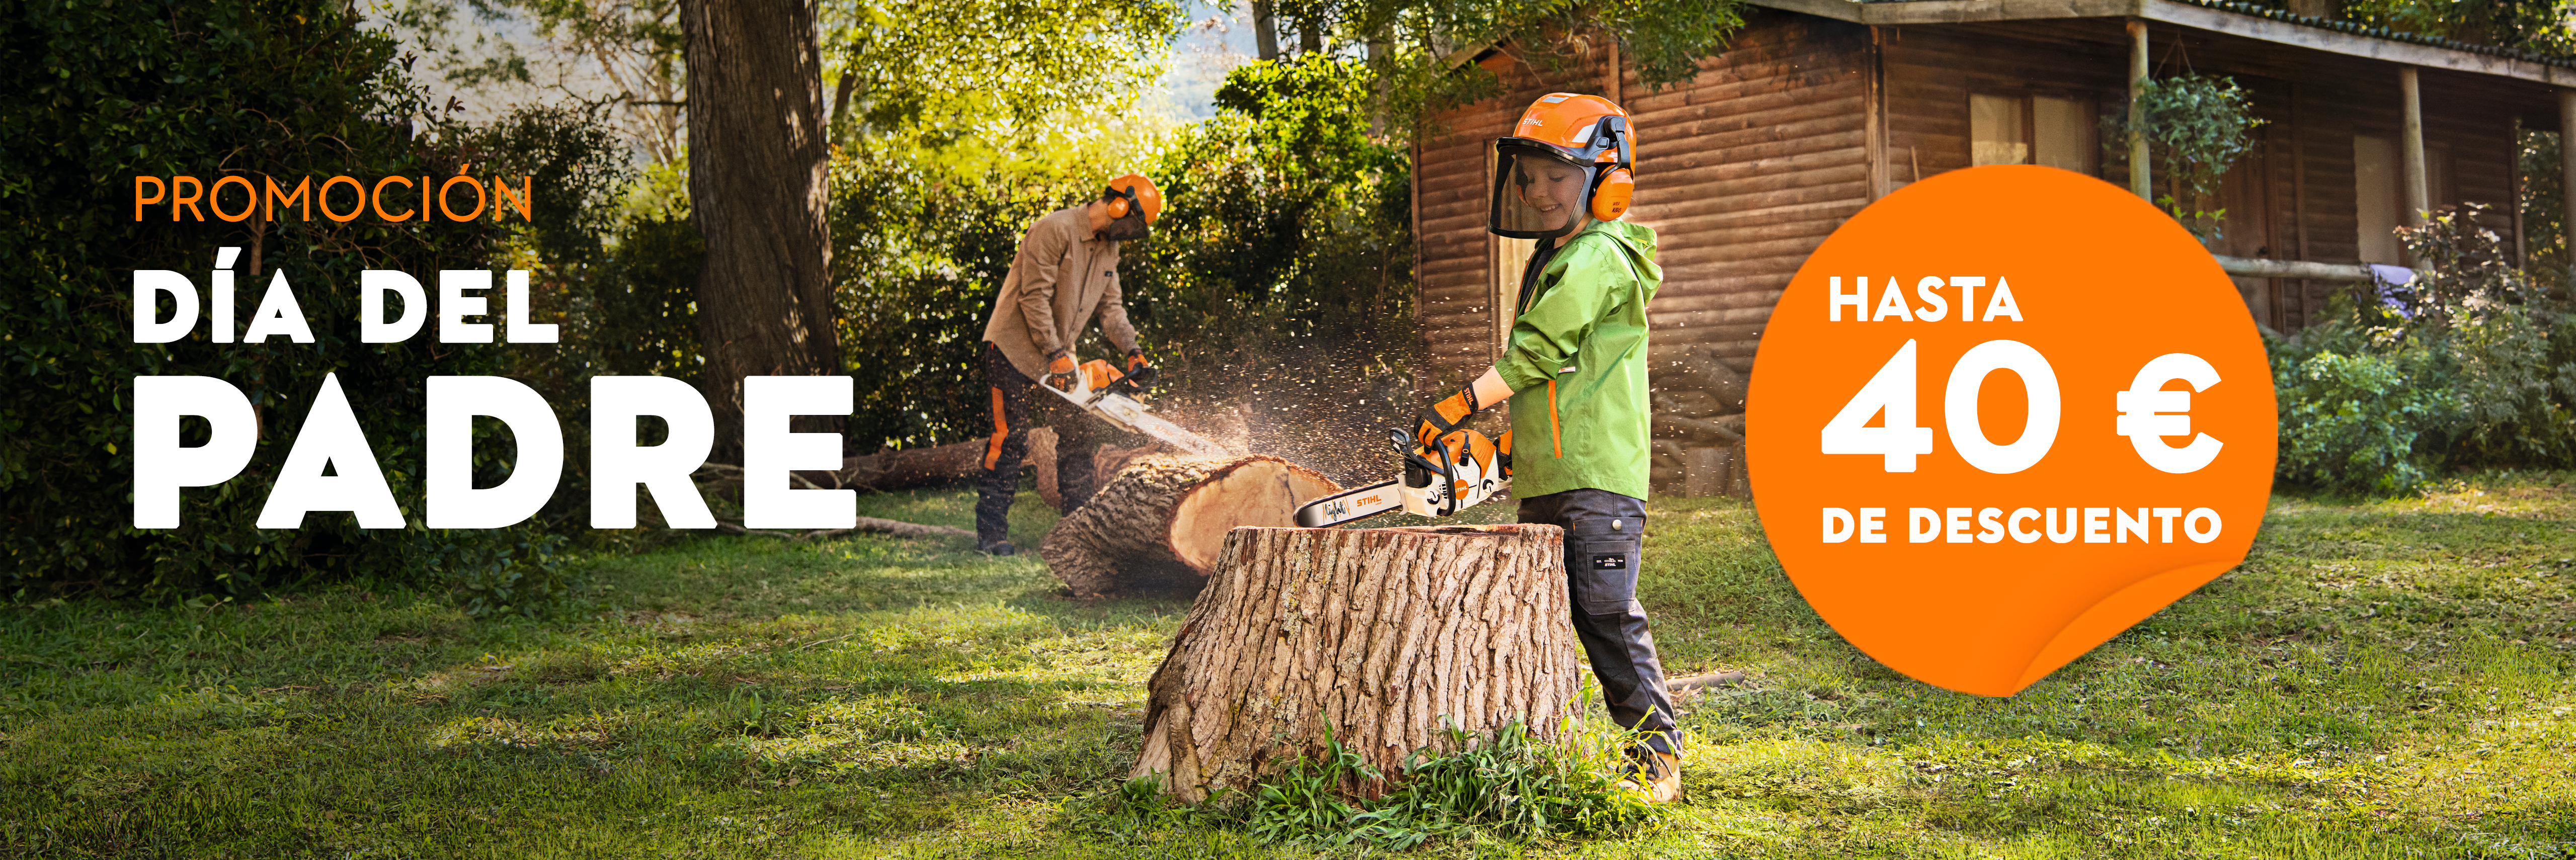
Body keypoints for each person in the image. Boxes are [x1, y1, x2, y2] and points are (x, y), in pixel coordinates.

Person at [1411, 93, 1682, 802]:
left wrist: (1459, 404)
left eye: (1558, 176)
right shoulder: (1553, 255)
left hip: (1596, 481)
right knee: (1544, 615)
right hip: (1553, 475)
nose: (1539, 191)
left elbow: (1536, 355)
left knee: (1606, 615)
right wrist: (1506, 451)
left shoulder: (1598, 257)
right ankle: (1541, 742)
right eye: (1531, 177)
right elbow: (1563, 387)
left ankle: (1658, 756)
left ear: (1607, 180)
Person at [975, 175, 1164, 555]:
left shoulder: (1109, 250)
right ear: (1119, 206)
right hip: (1013, 348)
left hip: (1060, 355)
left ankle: (1077, 530)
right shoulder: (1055, 229)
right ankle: (991, 535)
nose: (1130, 235)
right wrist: (1055, 353)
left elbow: (1112, 309)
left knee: (1078, 436)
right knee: (1010, 438)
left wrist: (1133, 350)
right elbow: (1033, 297)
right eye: (1134, 226)